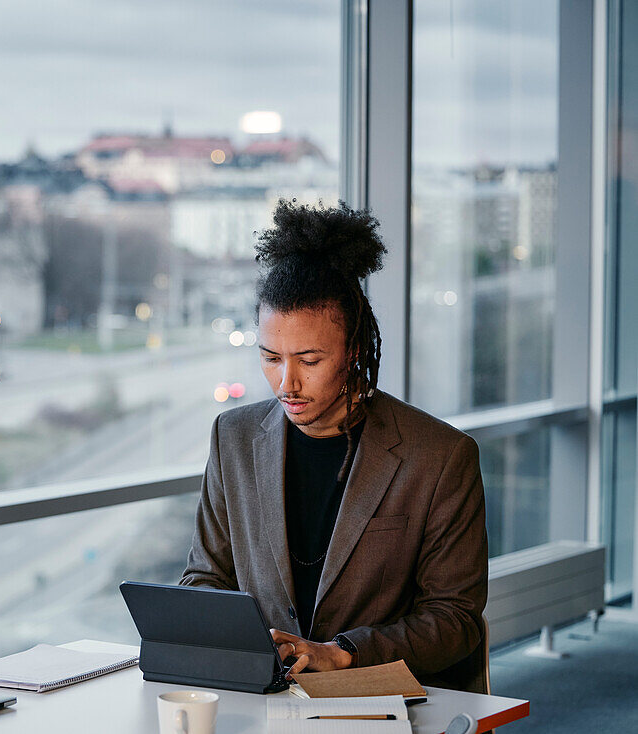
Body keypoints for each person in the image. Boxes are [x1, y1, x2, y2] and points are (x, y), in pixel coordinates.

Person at [180, 200, 488, 692]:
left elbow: (456, 620)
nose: (287, 383)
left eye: (309, 360)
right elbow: (203, 580)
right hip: (260, 703)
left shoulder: (440, 457)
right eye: (270, 357)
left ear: (356, 351)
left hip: (377, 701)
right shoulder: (233, 438)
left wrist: (342, 654)